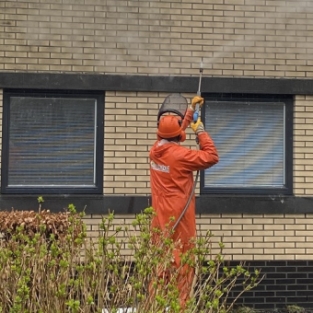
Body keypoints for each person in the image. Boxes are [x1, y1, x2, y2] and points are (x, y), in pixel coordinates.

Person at [149, 95, 219, 309]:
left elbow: (173, 133)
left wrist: (190, 112)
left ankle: (155, 306)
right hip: (180, 217)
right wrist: (200, 131)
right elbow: (211, 156)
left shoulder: (155, 151)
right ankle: (181, 308)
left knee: (160, 264)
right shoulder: (181, 156)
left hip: (159, 217)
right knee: (183, 266)